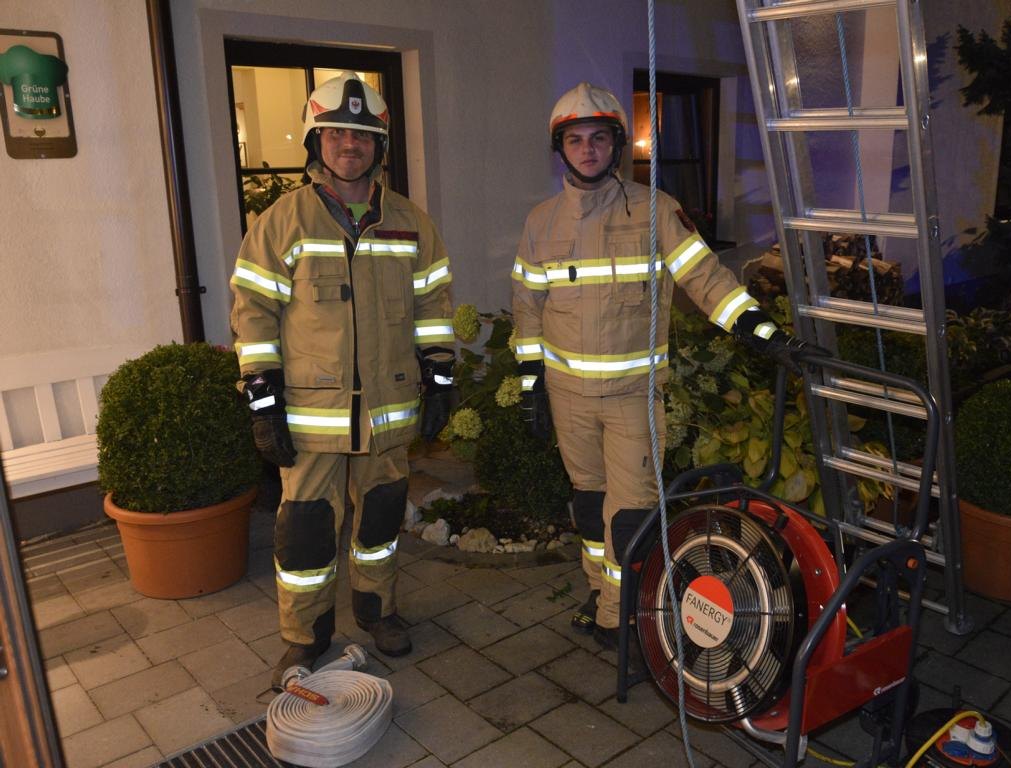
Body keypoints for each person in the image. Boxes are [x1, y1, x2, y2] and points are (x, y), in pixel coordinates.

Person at [510, 82, 813, 664]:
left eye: (599, 138)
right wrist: (531, 384)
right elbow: (527, 307)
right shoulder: (539, 223)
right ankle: (600, 592)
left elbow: (705, 278)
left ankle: (622, 614)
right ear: (560, 149)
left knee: (630, 515)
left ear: (617, 145)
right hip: (568, 398)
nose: (588, 149)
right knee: (588, 505)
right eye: (576, 140)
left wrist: (758, 328)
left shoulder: (654, 210)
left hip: (632, 399)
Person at [230, 72, 455, 690]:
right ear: (316, 142)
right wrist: (264, 401)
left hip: (386, 411)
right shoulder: (282, 222)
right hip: (311, 418)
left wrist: (440, 377)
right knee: (304, 533)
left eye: (361, 135)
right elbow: (253, 313)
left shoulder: (411, 223)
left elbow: (434, 305)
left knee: (380, 521)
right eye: (335, 133)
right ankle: (305, 637)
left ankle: (378, 611)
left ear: (379, 146)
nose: (348, 144)